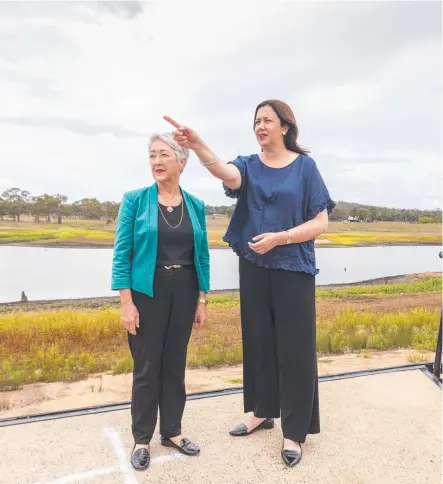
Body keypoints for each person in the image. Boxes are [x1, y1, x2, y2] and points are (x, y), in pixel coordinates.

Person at [164, 99, 334, 468]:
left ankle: (294, 431)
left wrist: (282, 237)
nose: (260, 126)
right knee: (258, 340)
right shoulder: (250, 166)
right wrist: (197, 144)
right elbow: (227, 174)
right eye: (256, 121)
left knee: (294, 349)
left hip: (293, 267)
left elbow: (320, 221)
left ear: (285, 127)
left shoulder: (305, 167)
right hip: (254, 265)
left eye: (267, 120)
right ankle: (261, 412)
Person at [111, 132, 210, 471]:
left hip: (184, 290)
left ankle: (173, 431)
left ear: (182, 162)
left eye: (164, 155)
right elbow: (122, 254)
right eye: (152, 155)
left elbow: (202, 255)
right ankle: (142, 439)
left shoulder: (196, 205)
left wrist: (202, 298)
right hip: (147, 292)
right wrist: (127, 302)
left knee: (174, 364)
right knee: (147, 366)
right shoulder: (135, 200)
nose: (156, 162)